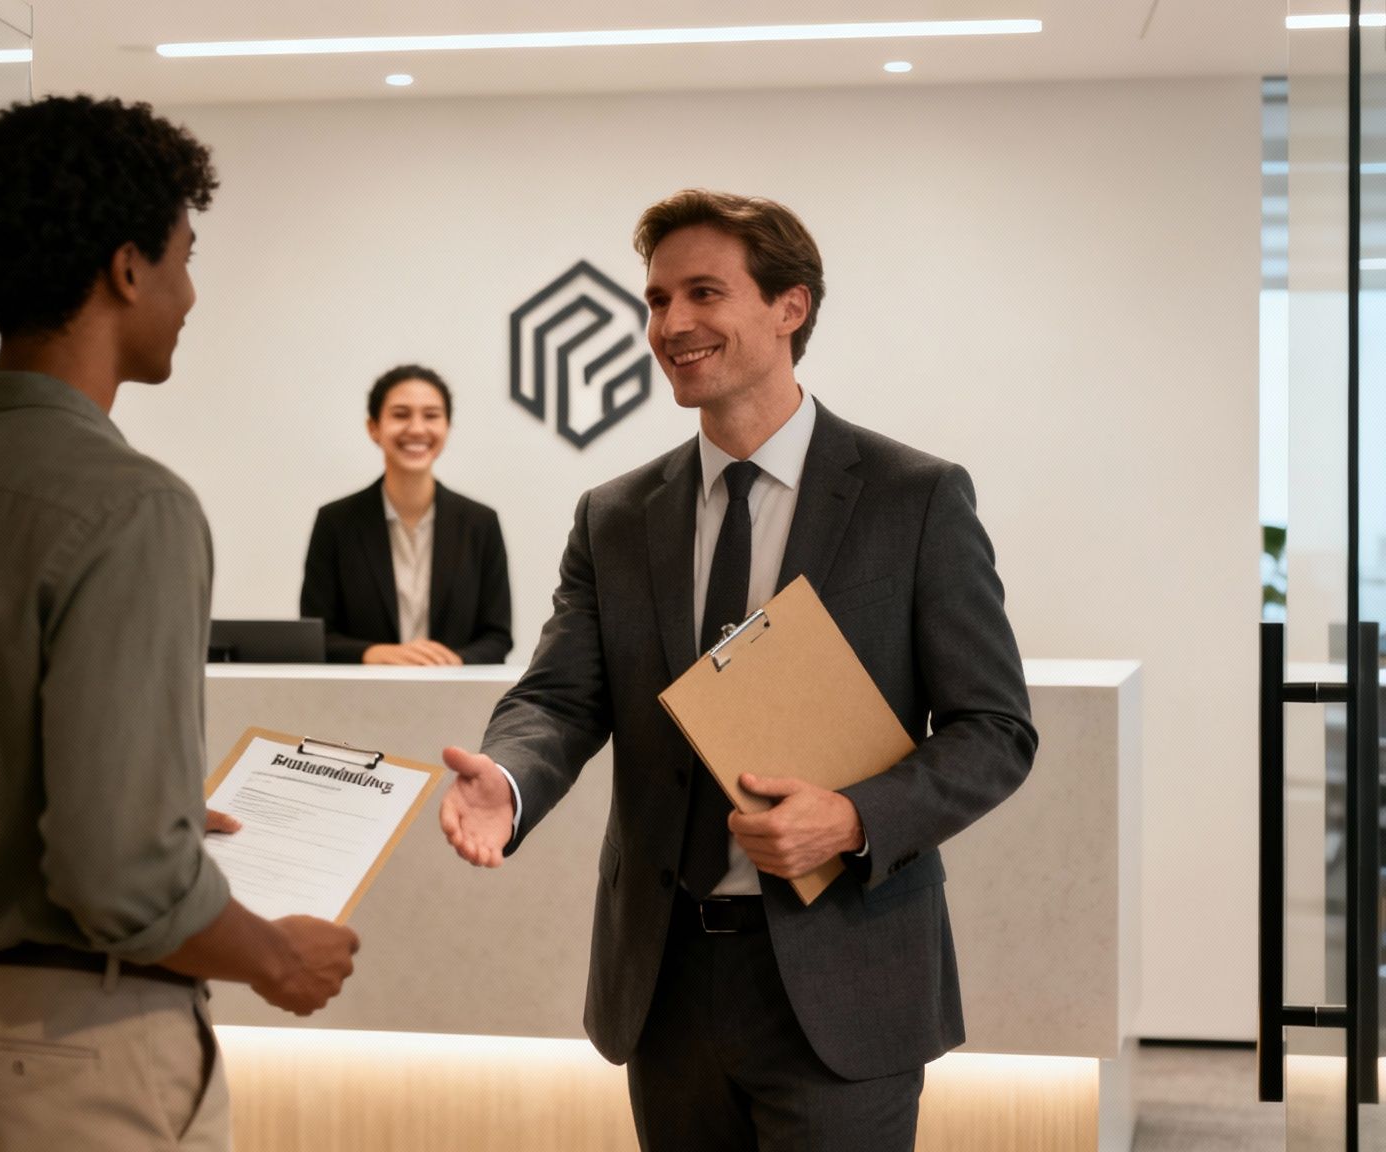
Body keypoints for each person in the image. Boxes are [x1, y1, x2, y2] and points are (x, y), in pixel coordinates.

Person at [436, 190, 1038, 1150]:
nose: (671, 325)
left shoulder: (914, 498)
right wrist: (509, 780)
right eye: (657, 299)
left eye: (703, 292)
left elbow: (996, 731)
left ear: (789, 307)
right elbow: (560, 696)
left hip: (846, 977)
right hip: (667, 983)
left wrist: (850, 819)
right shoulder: (616, 515)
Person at [0, 95, 358, 1151]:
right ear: (125, 268)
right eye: (184, 257)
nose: (191, 292)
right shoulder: (133, 506)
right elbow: (119, 881)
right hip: (73, 1054)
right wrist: (273, 958)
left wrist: (129, 810)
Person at [300, 364, 513, 665]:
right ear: (374, 428)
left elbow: (497, 636)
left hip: (454, 699)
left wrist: (454, 662)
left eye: (431, 415)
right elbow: (317, 635)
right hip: (358, 702)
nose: (416, 428)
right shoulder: (335, 522)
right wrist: (373, 653)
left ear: (447, 427)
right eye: (400, 414)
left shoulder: (480, 523)